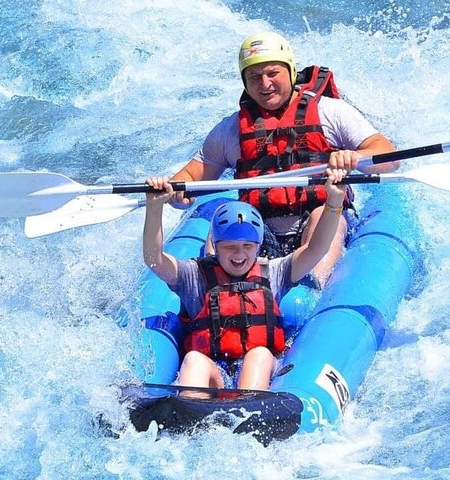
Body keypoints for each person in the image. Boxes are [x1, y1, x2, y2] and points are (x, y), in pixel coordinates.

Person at [167, 31, 398, 286]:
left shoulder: (330, 112)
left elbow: (388, 157)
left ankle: (311, 289)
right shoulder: (230, 130)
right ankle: (218, 294)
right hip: (258, 228)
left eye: (272, 73)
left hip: (321, 220)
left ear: (290, 71)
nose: (265, 84)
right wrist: (176, 192)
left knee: (323, 214)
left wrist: (355, 157)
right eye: (254, 76)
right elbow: (191, 177)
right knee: (230, 215)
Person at [142, 169, 347, 390]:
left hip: (260, 371)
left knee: (258, 355)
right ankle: (189, 411)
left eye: (247, 247)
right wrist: (155, 207)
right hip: (215, 371)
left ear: (258, 247)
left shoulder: (274, 272)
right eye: (230, 247)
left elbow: (317, 249)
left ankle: (250, 409)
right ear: (216, 247)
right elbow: (154, 259)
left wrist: (334, 202)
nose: (239, 254)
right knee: (194, 359)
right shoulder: (194, 276)